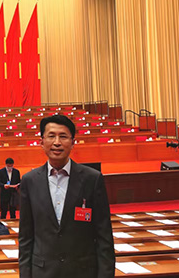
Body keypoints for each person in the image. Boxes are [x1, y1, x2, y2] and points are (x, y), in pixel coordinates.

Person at [19, 114, 114, 278]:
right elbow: (26, 237)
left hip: (82, 272)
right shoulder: (29, 181)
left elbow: (104, 235)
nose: (57, 142)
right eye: (51, 136)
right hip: (43, 273)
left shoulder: (92, 179)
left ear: (73, 142)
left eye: (63, 136)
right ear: (41, 142)